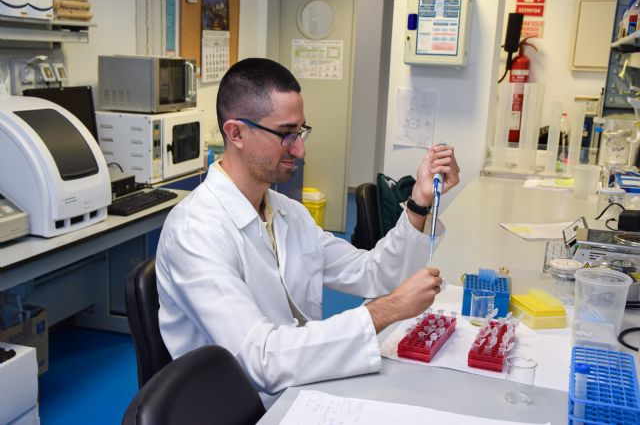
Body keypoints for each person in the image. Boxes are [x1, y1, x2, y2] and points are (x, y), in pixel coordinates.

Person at [155, 58, 460, 408]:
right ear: (235, 133)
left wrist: (420, 201)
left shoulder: (287, 213)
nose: (300, 150)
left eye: (300, 132)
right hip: (239, 407)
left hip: (300, 388)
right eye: (285, 134)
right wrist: (384, 312)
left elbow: (373, 273)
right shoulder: (196, 232)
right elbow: (262, 360)